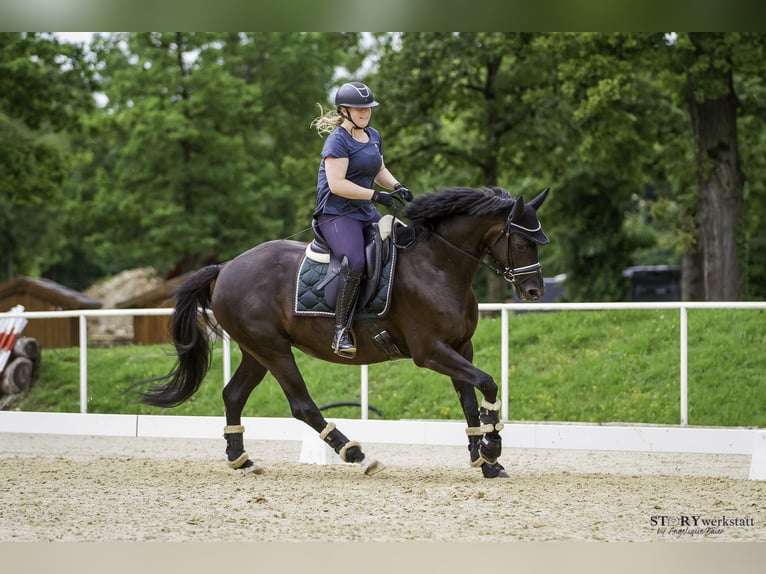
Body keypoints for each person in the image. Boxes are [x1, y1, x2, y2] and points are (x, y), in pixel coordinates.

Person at [311, 81, 412, 359]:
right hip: (336, 215)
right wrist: (375, 196)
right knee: (355, 261)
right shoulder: (337, 141)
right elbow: (337, 184)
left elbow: (378, 167)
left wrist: (396, 186)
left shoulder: (372, 135)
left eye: (368, 108)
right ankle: (340, 330)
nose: (365, 112)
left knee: (398, 245)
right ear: (344, 110)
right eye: (359, 108)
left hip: (365, 213)